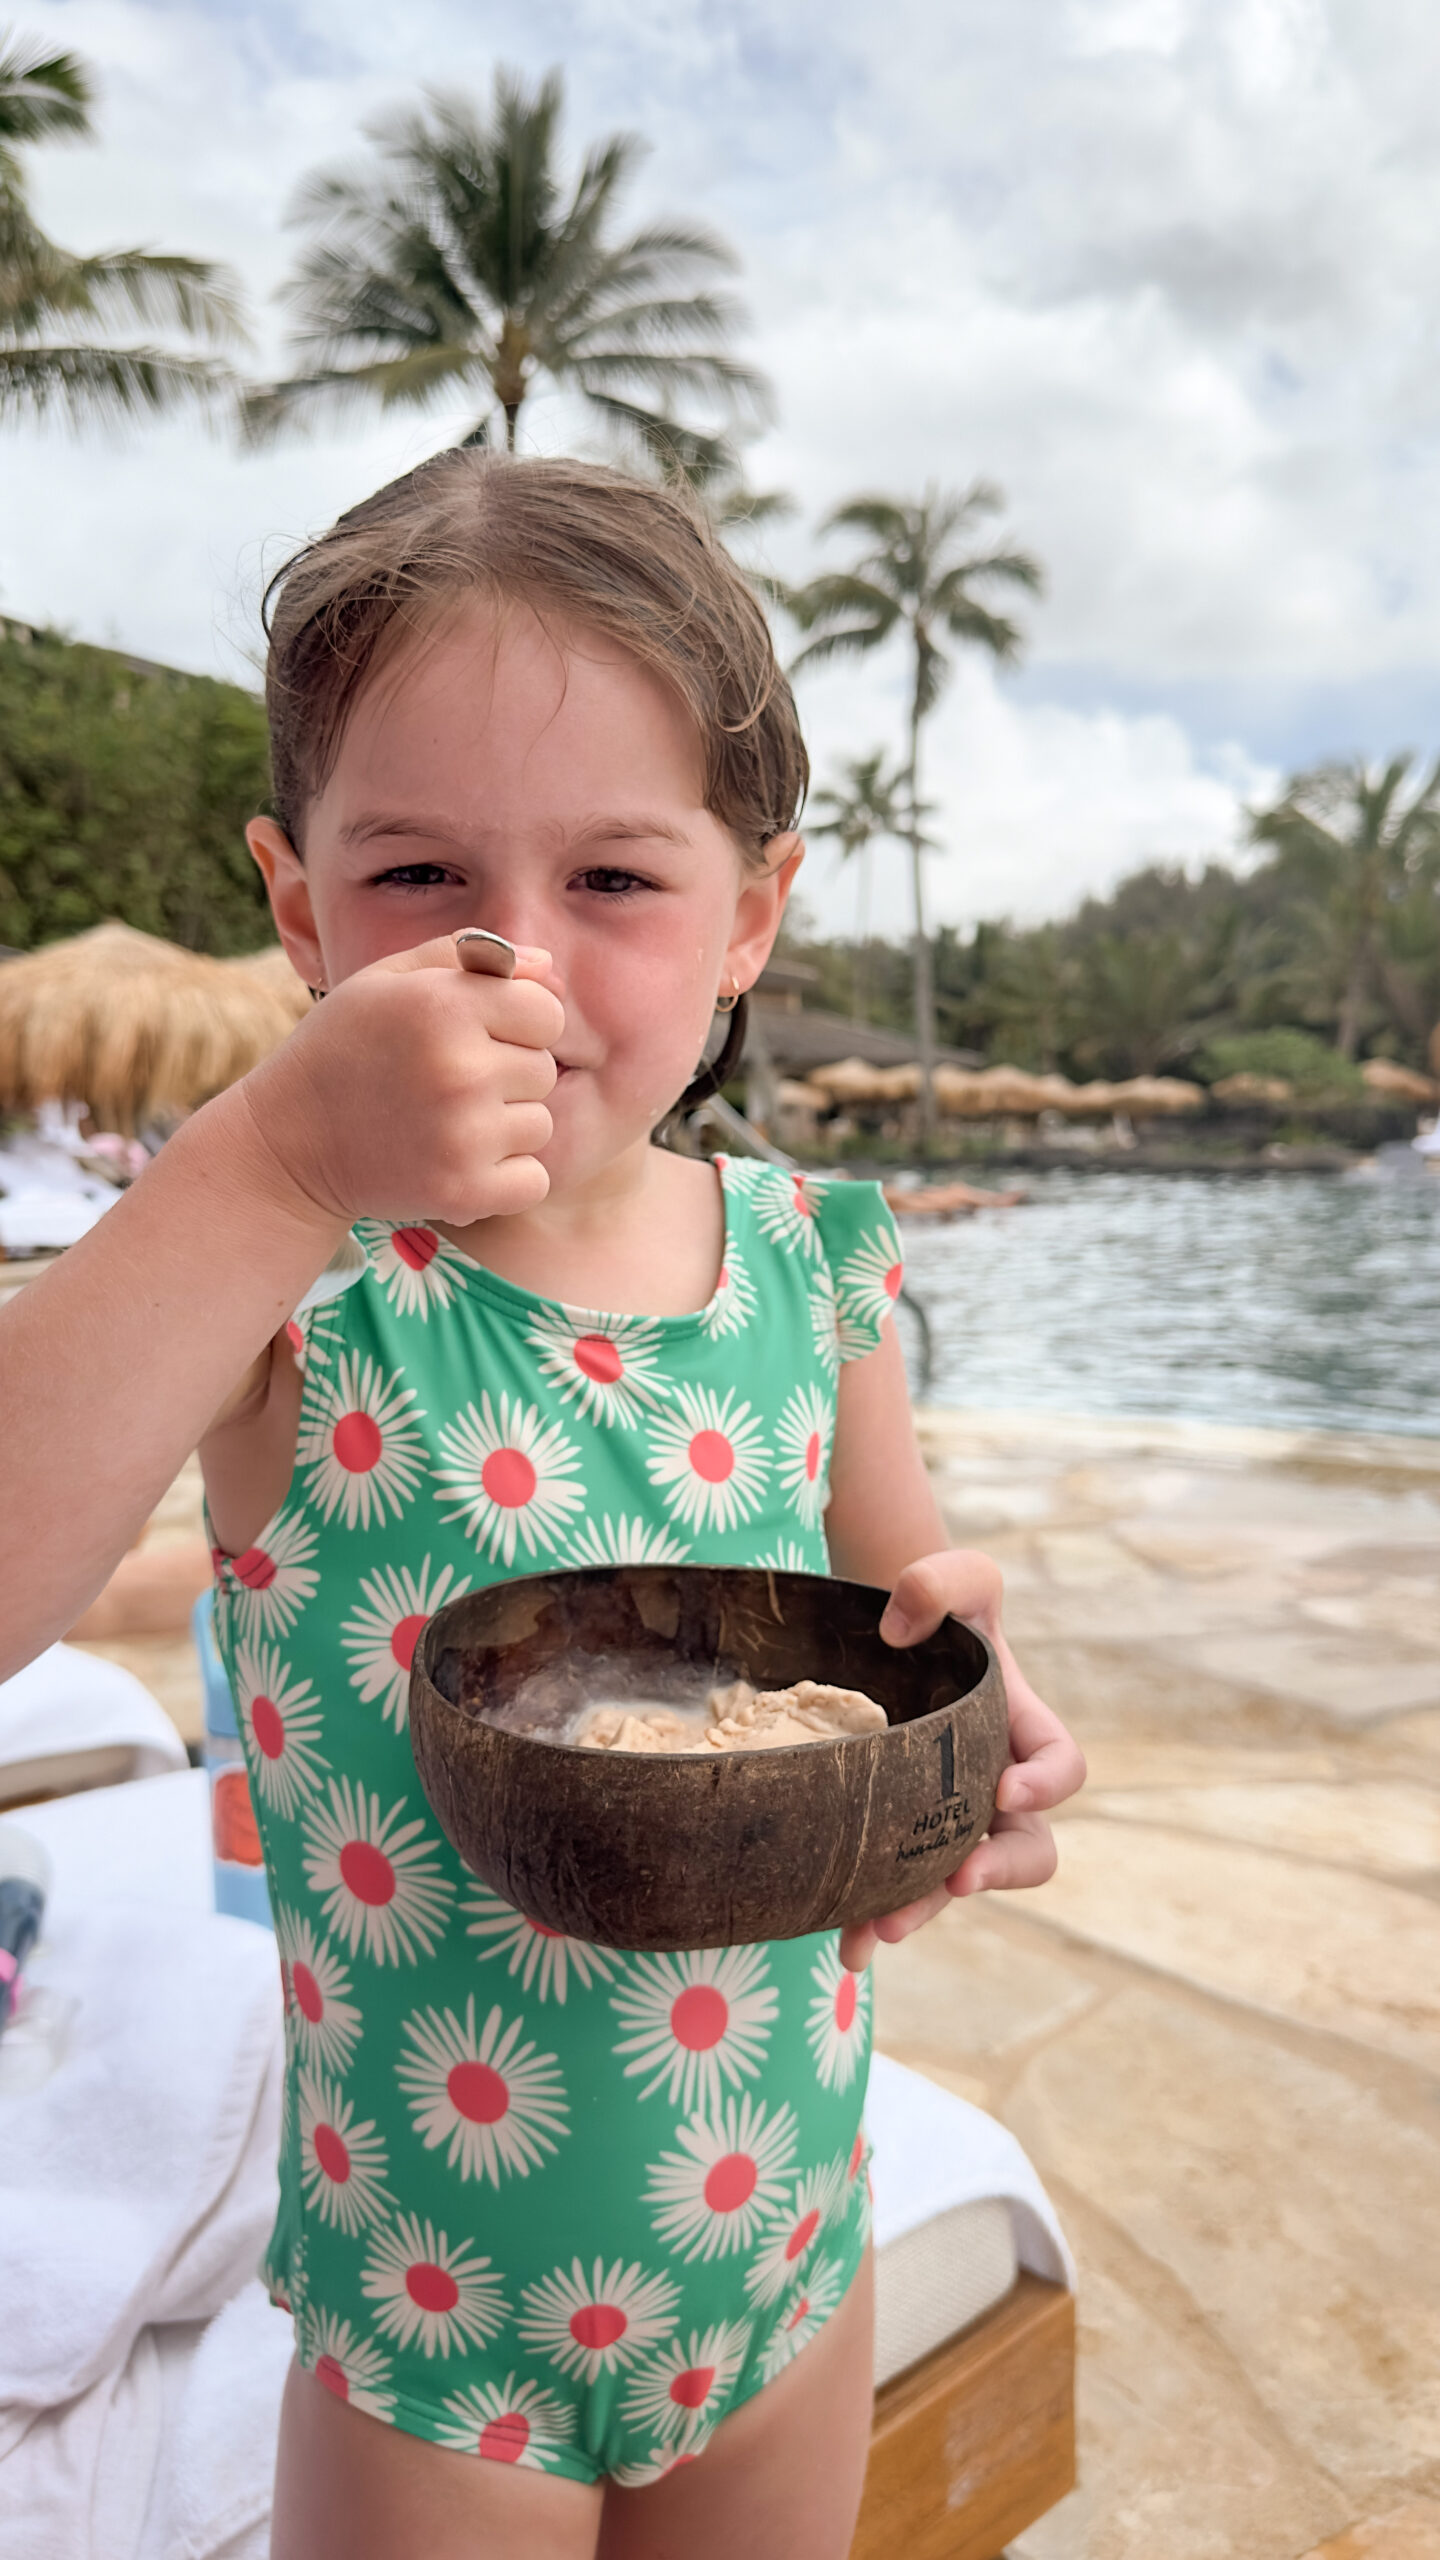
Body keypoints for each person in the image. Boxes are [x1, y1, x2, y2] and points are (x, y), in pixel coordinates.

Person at [0, 453, 1085, 2560]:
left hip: (787, 2240)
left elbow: (892, 1616)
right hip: (444, 2324)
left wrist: (976, 1728)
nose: (513, 954)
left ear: (751, 913)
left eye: (616, 878)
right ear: (300, 907)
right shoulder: (291, 1276)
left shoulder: (811, 1262)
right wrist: (266, 1164)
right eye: (416, 876)